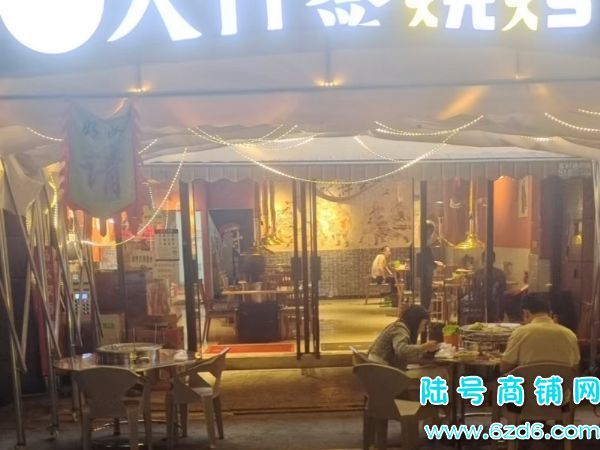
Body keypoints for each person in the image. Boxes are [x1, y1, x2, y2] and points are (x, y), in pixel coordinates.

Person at [500, 293, 580, 374]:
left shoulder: (520, 333)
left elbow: (504, 368)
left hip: (529, 382)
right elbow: (575, 368)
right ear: (550, 313)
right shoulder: (570, 334)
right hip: (561, 381)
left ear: (526, 314)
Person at [368, 305, 439, 370]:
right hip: (383, 369)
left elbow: (405, 356)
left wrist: (424, 356)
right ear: (416, 321)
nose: (423, 329)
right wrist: (424, 347)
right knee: (432, 372)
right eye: (424, 324)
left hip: (381, 367)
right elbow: (401, 350)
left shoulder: (399, 326)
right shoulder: (400, 328)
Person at [473, 251, 507, 322]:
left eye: (490, 259)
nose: (487, 261)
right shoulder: (478, 273)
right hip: (481, 305)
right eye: (486, 259)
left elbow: (503, 290)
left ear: (493, 260)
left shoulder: (499, 273)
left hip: (495, 306)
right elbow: (474, 290)